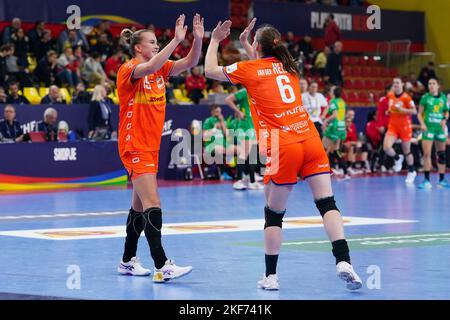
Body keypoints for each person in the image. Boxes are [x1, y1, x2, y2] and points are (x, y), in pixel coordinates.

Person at [205, 18, 362, 291]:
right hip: (310, 138)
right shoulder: (289, 68)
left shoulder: (250, 69)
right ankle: (344, 260)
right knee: (327, 203)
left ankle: (271, 277)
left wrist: (216, 40)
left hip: (283, 145)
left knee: (274, 214)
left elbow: (209, 70)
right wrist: (247, 43)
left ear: (257, 46)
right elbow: (265, 69)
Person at [116, 14, 204, 282]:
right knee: (153, 202)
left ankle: (127, 261)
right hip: (135, 145)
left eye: (157, 42)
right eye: (152, 42)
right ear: (138, 47)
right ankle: (162, 264)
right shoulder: (129, 69)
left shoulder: (160, 70)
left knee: (139, 207)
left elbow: (190, 62)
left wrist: (197, 40)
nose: (156, 45)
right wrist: (176, 40)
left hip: (151, 147)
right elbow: (153, 64)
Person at [224, 88, 262, 190]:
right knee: (244, 154)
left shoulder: (259, 93)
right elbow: (228, 99)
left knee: (252, 155)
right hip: (245, 127)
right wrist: (239, 112)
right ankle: (238, 181)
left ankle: (251, 181)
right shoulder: (245, 91)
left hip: (253, 126)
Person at [383, 77, 417, 184]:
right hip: (393, 126)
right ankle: (397, 158)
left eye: (397, 83)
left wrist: (403, 110)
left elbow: (414, 111)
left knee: (407, 150)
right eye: (394, 83)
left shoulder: (407, 98)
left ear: (402, 84)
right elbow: (390, 106)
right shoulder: (390, 95)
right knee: (386, 147)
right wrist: (389, 111)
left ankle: (412, 171)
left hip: (404, 127)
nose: (395, 85)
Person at [417, 78, 449, 189]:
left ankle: (442, 180)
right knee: (427, 153)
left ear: (438, 86)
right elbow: (419, 113)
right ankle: (426, 180)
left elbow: (446, 111)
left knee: (442, 154)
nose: (431, 85)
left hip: (439, 128)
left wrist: (444, 119)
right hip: (428, 128)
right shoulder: (425, 98)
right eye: (429, 84)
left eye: (433, 83)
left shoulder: (443, 98)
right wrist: (422, 124)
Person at [322, 86, 350, 179]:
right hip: (342, 127)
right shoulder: (342, 101)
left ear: (333, 92)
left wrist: (326, 121)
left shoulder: (333, 101)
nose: (329, 91)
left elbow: (334, 115)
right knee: (336, 149)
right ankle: (345, 172)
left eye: (330, 90)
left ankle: (322, 170)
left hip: (334, 127)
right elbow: (343, 115)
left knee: (322, 148)